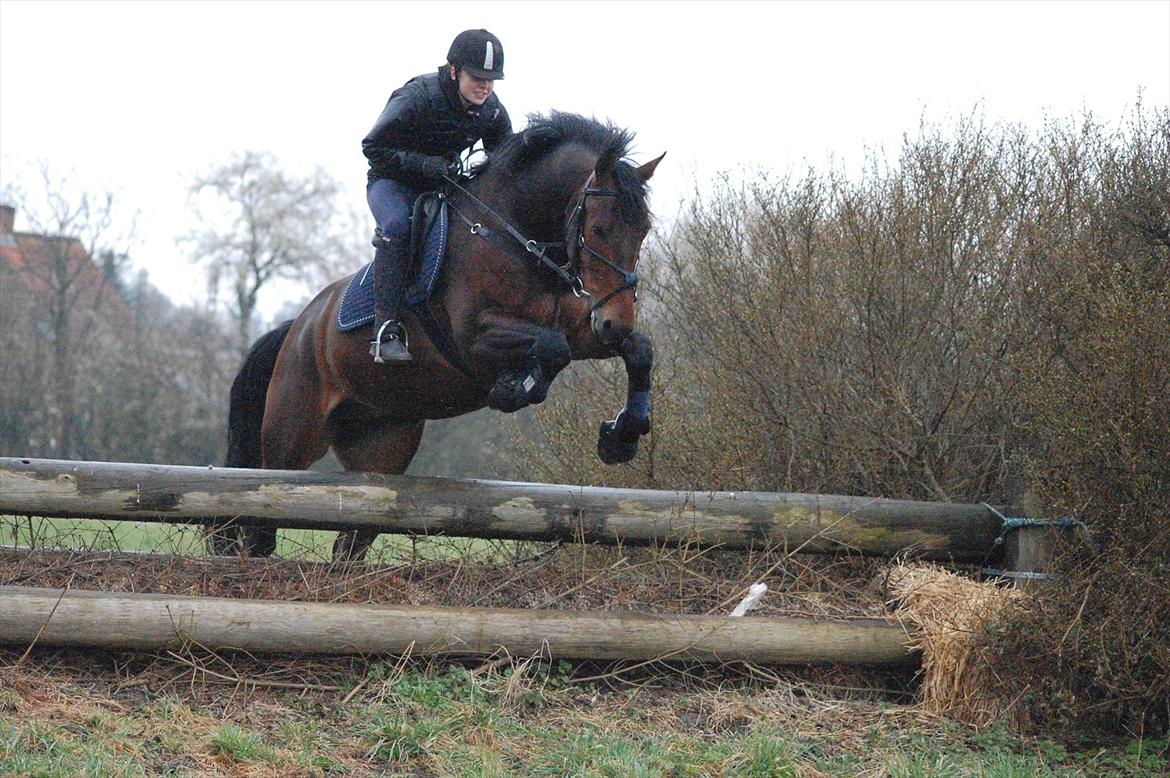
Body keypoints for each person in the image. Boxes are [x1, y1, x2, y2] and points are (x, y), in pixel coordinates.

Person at [362, 29, 513, 363]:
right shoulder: (417, 96)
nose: (484, 86)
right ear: (455, 69)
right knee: (400, 225)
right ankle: (385, 328)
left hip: (440, 187)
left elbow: (506, 160)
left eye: (491, 80)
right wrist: (423, 164)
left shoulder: (491, 111)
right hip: (391, 182)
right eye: (477, 77)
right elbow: (372, 147)